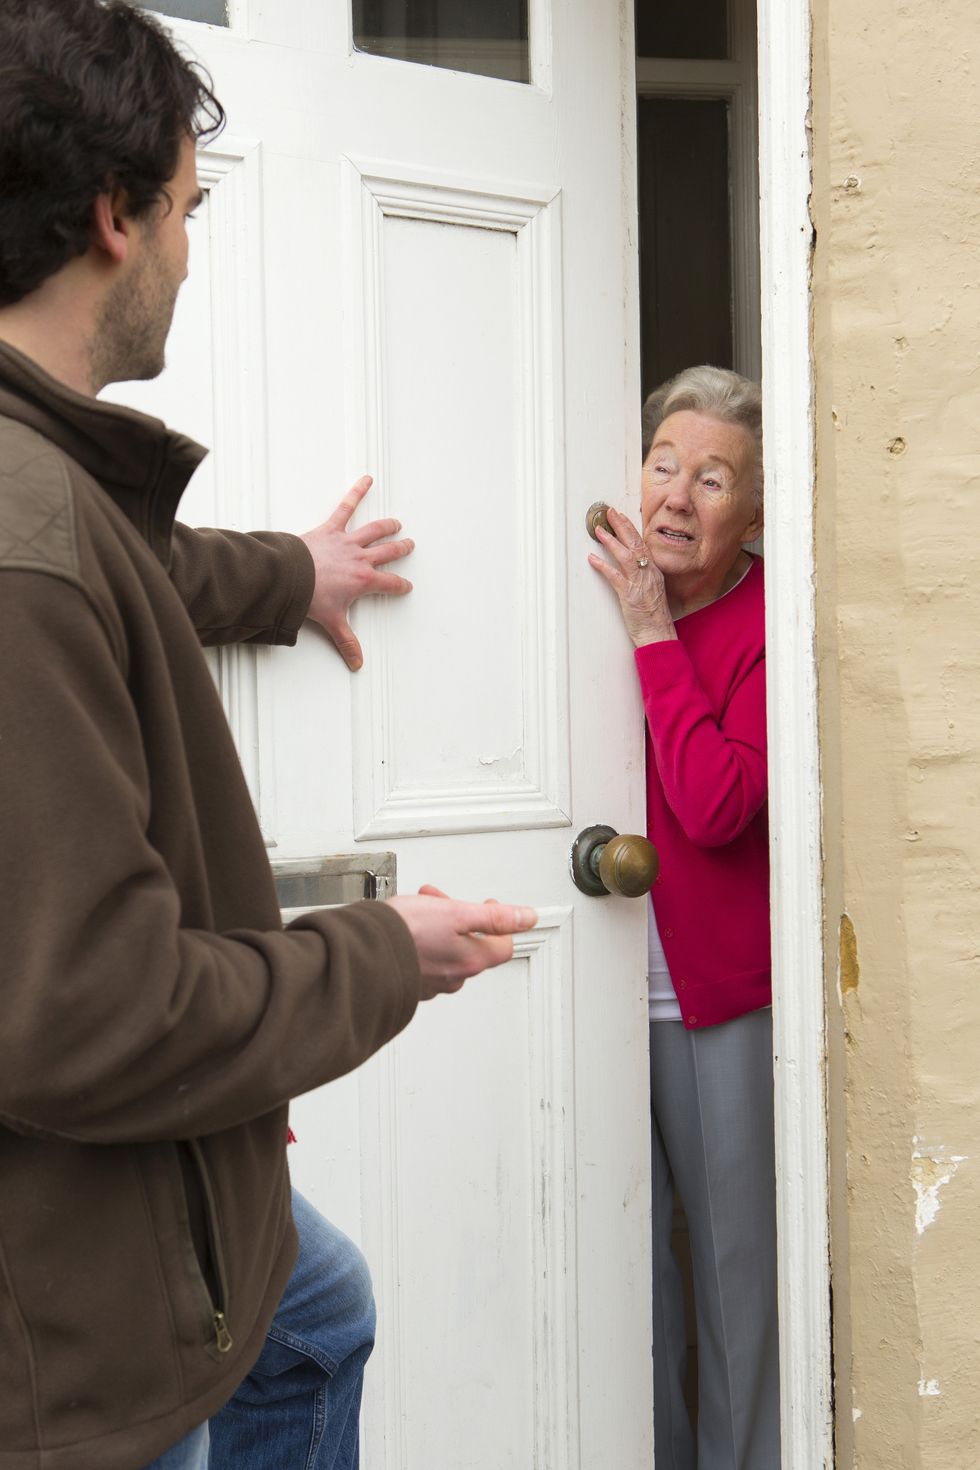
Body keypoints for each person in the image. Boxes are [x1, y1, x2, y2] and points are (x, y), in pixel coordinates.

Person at [0, 4, 536, 1468]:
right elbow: (92, 1018)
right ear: (114, 217)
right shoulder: (23, 556)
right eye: (189, 206)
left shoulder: (49, 493)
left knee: (315, 1304)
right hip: (77, 1328)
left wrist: (295, 574)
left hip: (156, 1211)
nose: (190, 246)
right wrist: (389, 956)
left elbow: (132, 572)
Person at [588, 365, 778, 1470]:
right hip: (600, 974)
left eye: (711, 480)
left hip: (711, 1000)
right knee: (629, 1280)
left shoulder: (755, 622)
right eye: (663, 463)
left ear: (748, 515)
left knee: (731, 1276)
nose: (674, 496)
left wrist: (652, 632)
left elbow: (712, 805)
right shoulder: (601, 589)